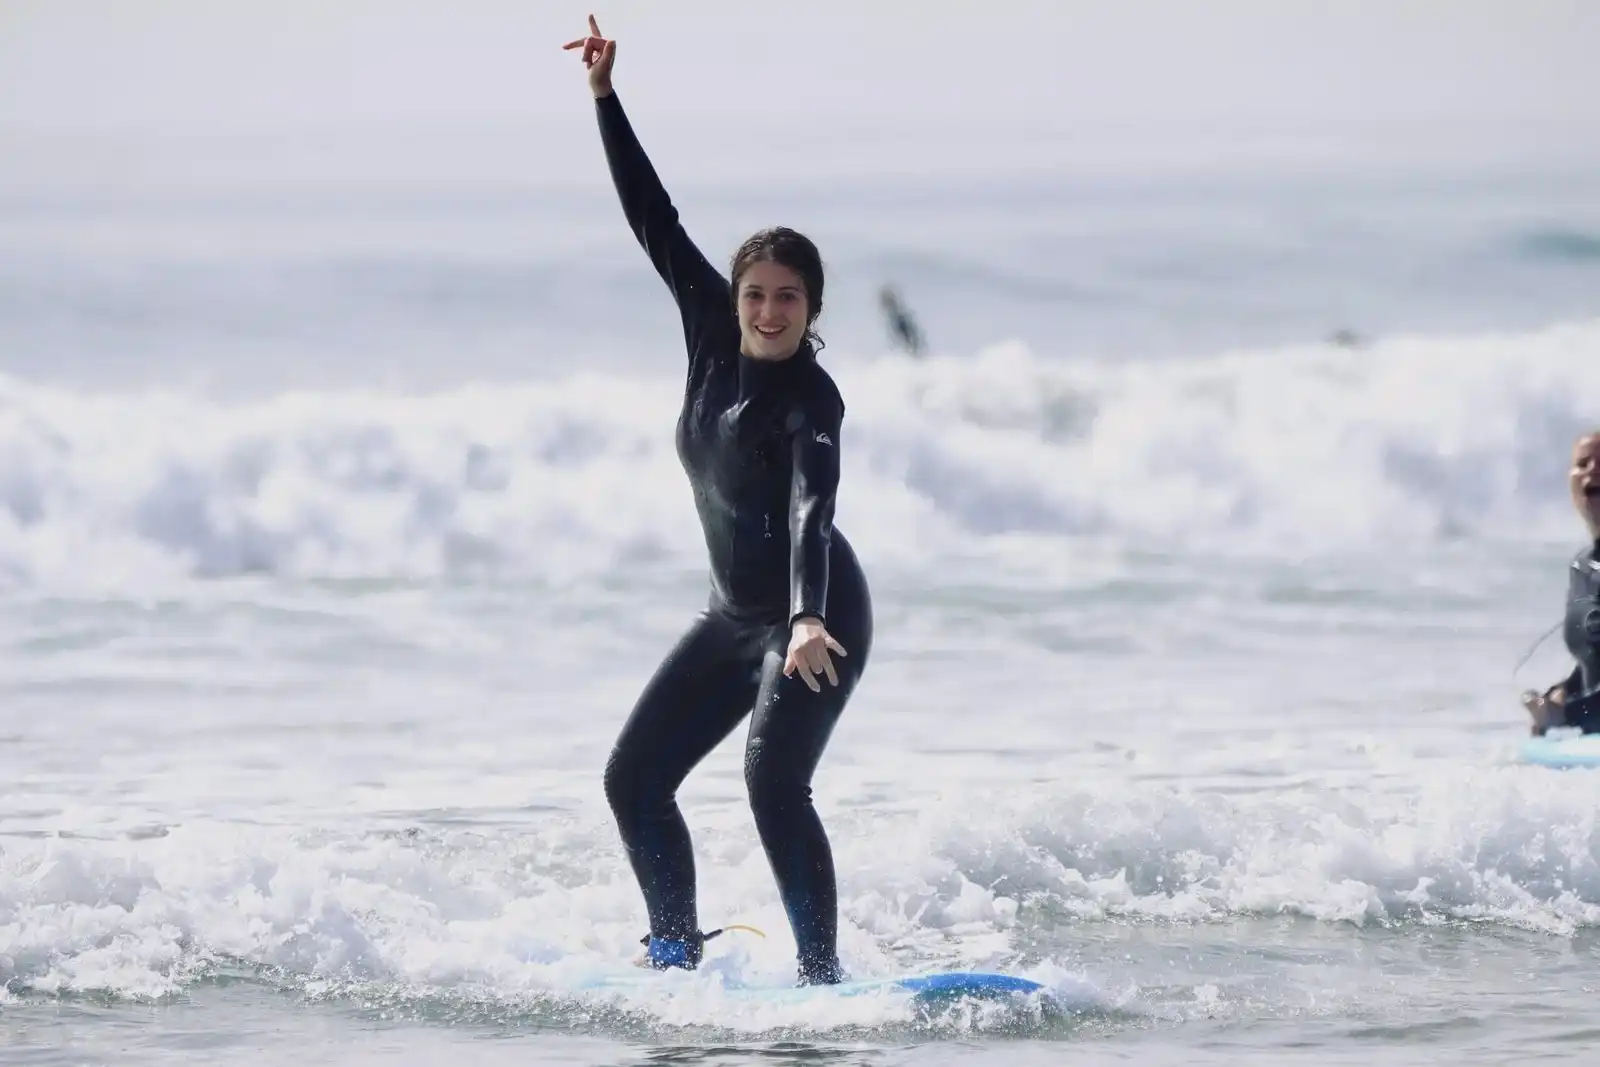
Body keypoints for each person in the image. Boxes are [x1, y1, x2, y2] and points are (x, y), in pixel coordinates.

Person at [563, 15, 873, 987]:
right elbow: (652, 216)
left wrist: (811, 616)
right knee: (634, 778)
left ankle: (821, 973)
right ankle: (671, 945)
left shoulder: (810, 401)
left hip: (812, 613)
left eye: (789, 297)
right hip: (732, 615)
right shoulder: (709, 329)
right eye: (756, 294)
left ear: (811, 308)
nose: (768, 310)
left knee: (772, 782)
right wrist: (606, 100)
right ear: (734, 297)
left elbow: (814, 505)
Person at [1522, 430, 1600, 735]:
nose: (1592, 470)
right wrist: (1564, 692)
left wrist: (1565, 714)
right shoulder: (1584, 566)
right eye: (1583, 463)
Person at [877, 285, 927, 357]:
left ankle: (913, 350)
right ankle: (912, 349)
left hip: (901, 323)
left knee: (907, 335)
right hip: (900, 323)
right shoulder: (896, 314)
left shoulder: (898, 315)